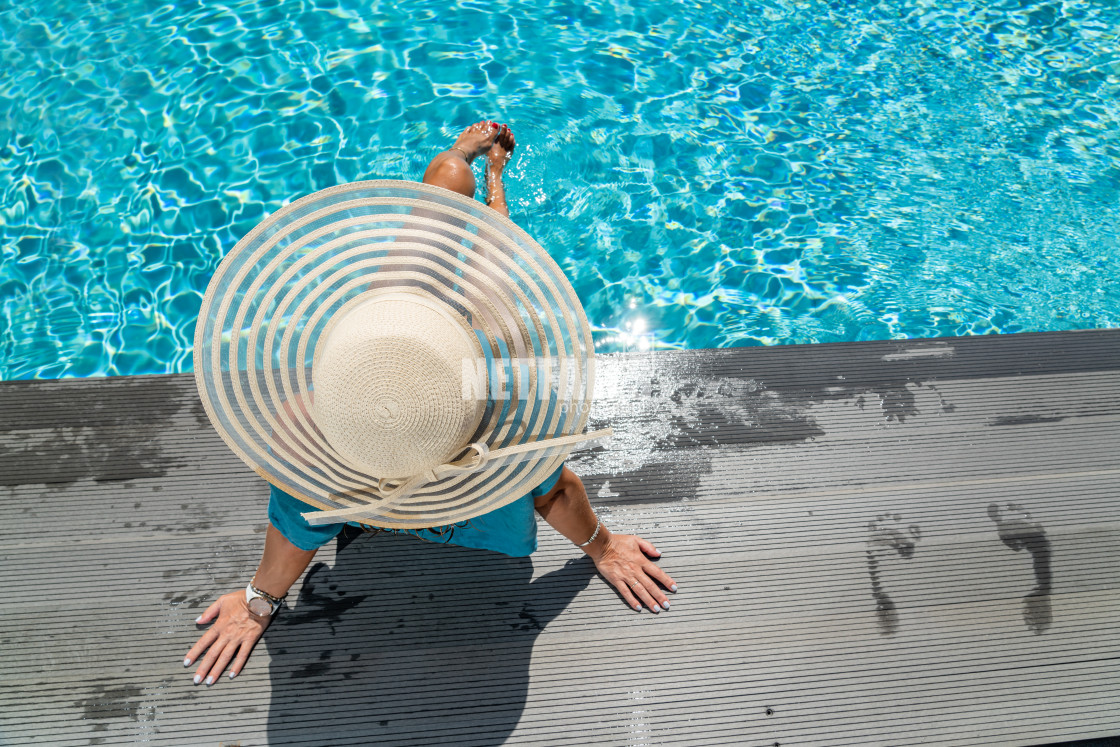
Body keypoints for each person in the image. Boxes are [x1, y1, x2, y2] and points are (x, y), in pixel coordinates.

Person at [184, 121, 677, 687]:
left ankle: (473, 168)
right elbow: (556, 490)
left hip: (396, 344)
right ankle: (475, 170)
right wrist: (603, 546)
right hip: (421, 355)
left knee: (482, 280)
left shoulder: (316, 427)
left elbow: (294, 528)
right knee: (489, 278)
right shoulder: (503, 416)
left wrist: (259, 601)